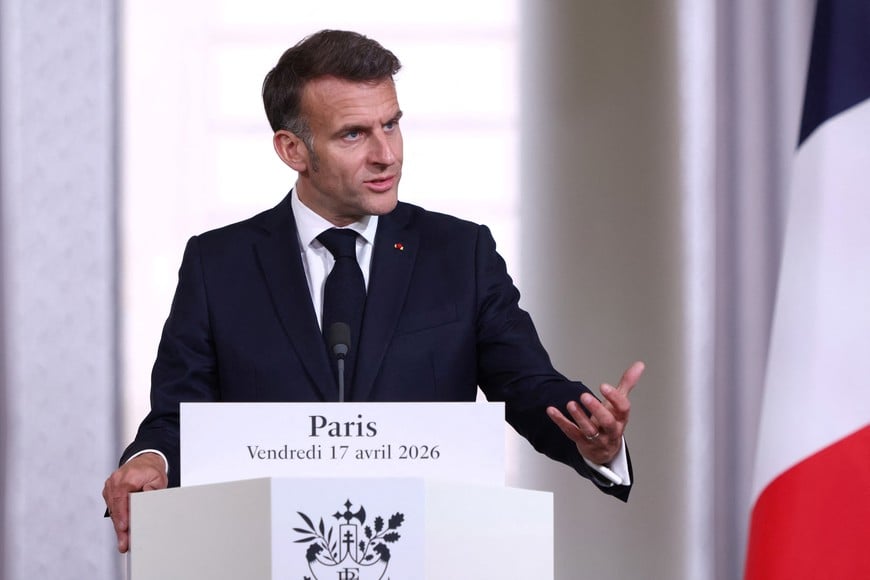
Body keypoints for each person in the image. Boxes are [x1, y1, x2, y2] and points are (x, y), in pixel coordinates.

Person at [103, 29, 644, 553]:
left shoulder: (460, 253)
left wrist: (590, 432)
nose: (387, 154)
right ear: (293, 150)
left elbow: (528, 385)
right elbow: (178, 413)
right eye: (354, 134)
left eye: (392, 124)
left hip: (430, 553)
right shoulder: (218, 263)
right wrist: (151, 459)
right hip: (262, 553)